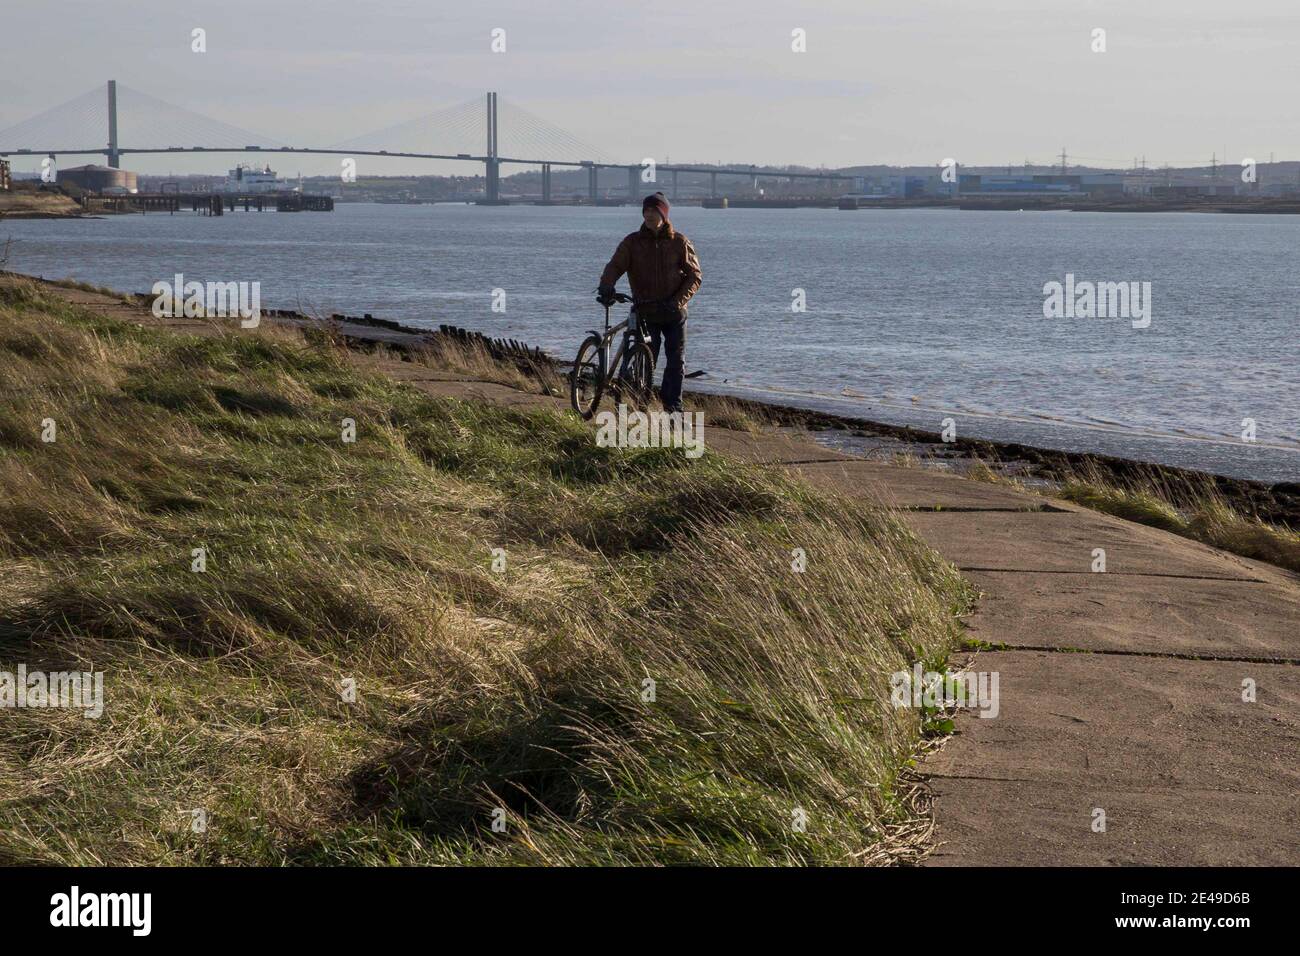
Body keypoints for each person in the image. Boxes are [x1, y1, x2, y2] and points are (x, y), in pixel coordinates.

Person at [597, 192, 701, 413]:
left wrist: (677, 301)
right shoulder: (632, 242)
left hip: (673, 311)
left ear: (664, 214)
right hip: (645, 309)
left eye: (654, 211)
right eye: (646, 211)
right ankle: (638, 401)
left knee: (676, 360)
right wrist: (607, 285)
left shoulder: (679, 242)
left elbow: (694, 276)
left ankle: (672, 406)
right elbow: (615, 266)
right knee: (645, 358)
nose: (649, 215)